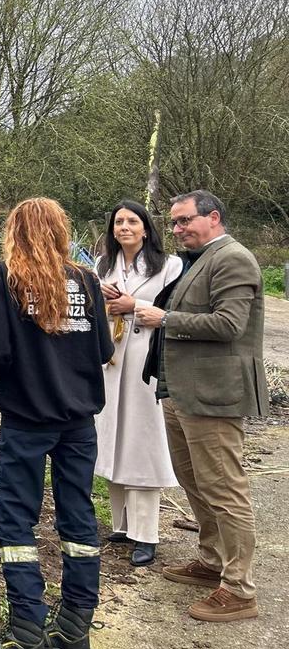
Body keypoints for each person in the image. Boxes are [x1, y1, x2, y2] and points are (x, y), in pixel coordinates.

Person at [0, 198, 113, 649]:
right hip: (79, 425)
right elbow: (104, 348)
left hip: (27, 423)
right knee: (79, 524)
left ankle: (25, 642)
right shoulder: (87, 281)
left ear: (16, 232)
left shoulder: (6, 278)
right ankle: (73, 635)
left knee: (17, 525)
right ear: (60, 230)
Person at [134, 189, 266, 623]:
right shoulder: (199, 260)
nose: (177, 229)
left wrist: (164, 319)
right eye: (173, 222)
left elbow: (230, 324)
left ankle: (240, 588)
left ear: (213, 217)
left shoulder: (233, 258)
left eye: (185, 221)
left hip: (213, 394)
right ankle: (212, 562)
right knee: (197, 481)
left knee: (225, 488)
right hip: (180, 391)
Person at [95, 200, 182, 566]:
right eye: (118, 222)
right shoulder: (102, 265)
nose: (124, 227)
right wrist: (105, 302)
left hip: (146, 360)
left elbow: (173, 309)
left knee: (142, 441)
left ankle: (147, 534)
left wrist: (132, 304)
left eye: (132, 221)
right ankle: (122, 525)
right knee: (114, 438)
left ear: (146, 228)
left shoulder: (169, 266)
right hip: (113, 361)